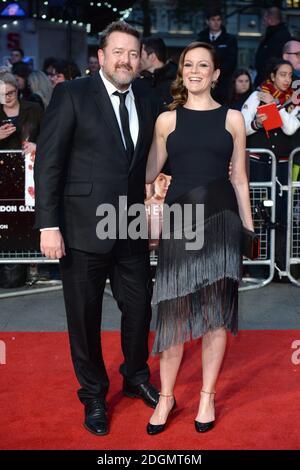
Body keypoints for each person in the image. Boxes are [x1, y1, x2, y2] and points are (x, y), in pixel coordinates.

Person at [34, 21, 159, 437]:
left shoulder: (147, 95)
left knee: (140, 308)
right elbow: (49, 164)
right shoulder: (71, 94)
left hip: (131, 225)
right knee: (84, 318)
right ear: (101, 57)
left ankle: (135, 373)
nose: (126, 59)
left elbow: (153, 161)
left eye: (132, 53)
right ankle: (92, 395)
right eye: (117, 52)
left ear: (140, 60)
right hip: (81, 227)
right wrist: (48, 225)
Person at [145, 41, 254, 434]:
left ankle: (207, 395)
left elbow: (240, 178)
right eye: (188, 65)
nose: (194, 71)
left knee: (215, 314)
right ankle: (167, 396)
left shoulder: (234, 118)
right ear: (182, 72)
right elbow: (148, 171)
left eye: (202, 65)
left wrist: (249, 228)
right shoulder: (166, 120)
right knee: (172, 313)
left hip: (222, 220)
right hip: (180, 221)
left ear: (216, 73)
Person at [197, 10, 237, 104]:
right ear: (207, 21)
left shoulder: (230, 40)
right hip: (204, 82)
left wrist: (216, 73)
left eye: (218, 19)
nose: (216, 22)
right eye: (213, 19)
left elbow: (231, 62)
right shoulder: (201, 39)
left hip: (223, 84)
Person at [133, 37, 177, 111]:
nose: (137, 58)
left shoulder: (177, 83)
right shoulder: (136, 83)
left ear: (152, 57)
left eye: (141, 54)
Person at [254, 7, 291, 87]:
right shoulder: (272, 35)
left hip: (269, 81)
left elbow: (272, 59)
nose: (263, 22)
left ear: (270, 19)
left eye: (265, 18)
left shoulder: (279, 37)